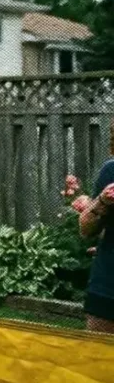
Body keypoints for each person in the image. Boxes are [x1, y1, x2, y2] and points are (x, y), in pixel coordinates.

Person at [76, 122, 114, 333]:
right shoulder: (111, 171)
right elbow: (85, 229)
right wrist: (102, 202)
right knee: (98, 360)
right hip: (109, 286)